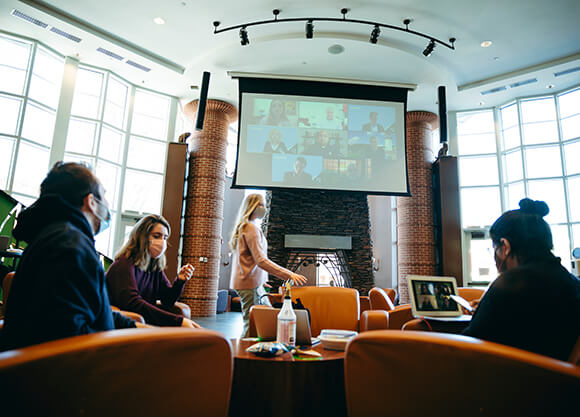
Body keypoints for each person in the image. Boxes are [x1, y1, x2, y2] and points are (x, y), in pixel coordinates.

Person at [0, 162, 143, 352]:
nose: (107, 205)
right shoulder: (70, 246)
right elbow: (71, 342)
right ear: (91, 202)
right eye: (105, 196)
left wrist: (136, 328)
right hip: (63, 374)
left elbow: (92, 311)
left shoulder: (59, 238)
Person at [462, 198, 580, 361]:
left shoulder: (510, 284)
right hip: (557, 381)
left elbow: (470, 343)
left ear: (505, 246)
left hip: (509, 380)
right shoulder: (571, 282)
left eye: (494, 248)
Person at [229, 193, 307, 337]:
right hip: (249, 285)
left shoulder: (247, 227)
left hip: (252, 284)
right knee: (253, 323)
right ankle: (241, 356)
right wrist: (289, 274)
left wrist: (262, 280)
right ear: (252, 206)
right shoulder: (250, 228)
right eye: (261, 204)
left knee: (262, 319)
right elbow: (261, 260)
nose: (264, 208)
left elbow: (251, 260)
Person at [106, 214, 201, 328]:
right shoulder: (123, 265)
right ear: (142, 237)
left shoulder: (153, 267)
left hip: (145, 322)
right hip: (126, 325)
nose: (162, 242)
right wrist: (177, 321)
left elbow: (167, 300)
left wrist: (180, 281)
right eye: (157, 236)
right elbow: (133, 304)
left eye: (165, 238)